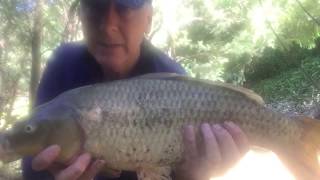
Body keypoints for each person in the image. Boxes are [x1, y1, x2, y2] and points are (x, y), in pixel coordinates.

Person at [22, 0, 250, 179]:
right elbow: (31, 165)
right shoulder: (62, 64)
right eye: (96, 4)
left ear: (149, 19)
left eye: (124, 6)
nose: (108, 24)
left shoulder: (177, 81)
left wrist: (192, 176)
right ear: (81, 12)